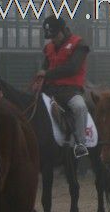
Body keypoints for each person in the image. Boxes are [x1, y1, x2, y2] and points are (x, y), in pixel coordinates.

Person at [37, 15, 91, 158]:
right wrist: (39, 80)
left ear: (63, 30)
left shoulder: (79, 44)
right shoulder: (49, 47)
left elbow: (72, 68)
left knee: (80, 107)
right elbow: (44, 67)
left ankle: (80, 143)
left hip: (70, 91)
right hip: (50, 91)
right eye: (50, 37)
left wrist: (47, 74)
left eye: (54, 36)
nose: (52, 39)